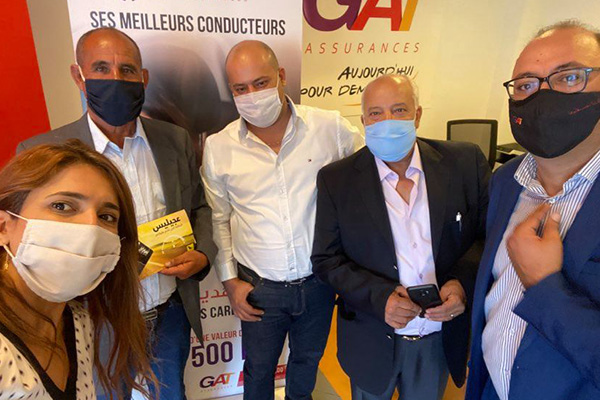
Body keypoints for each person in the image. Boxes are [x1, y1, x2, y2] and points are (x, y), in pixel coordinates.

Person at [17, 27, 217, 399]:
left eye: (127, 70)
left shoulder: (174, 139)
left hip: (169, 312)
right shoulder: (44, 152)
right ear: (79, 76)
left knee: (172, 394)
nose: (115, 79)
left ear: (143, 77)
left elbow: (200, 206)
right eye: (101, 68)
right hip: (97, 318)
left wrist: (203, 253)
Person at [311, 74, 490, 400]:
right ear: (364, 121)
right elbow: (326, 260)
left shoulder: (464, 164)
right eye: (376, 113)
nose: (387, 121)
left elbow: (485, 237)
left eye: (399, 110)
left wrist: (461, 283)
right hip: (371, 336)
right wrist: (381, 299)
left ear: (417, 115)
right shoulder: (336, 180)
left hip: (438, 337)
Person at [201, 40, 363, 400]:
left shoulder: (330, 128)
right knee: (259, 369)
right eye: (240, 88)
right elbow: (218, 219)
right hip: (260, 288)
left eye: (261, 83)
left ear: (282, 76)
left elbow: (368, 176)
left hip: (319, 283)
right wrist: (230, 282)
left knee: (307, 362)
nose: (252, 96)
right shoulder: (219, 147)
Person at [466, 21, 600, 400]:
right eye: (526, 85)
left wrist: (544, 286)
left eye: (569, 78)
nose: (543, 97)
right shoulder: (506, 180)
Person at [0, 140, 155, 399]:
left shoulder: (77, 322)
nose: (90, 228)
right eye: (62, 206)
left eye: (106, 216)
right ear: (4, 226)